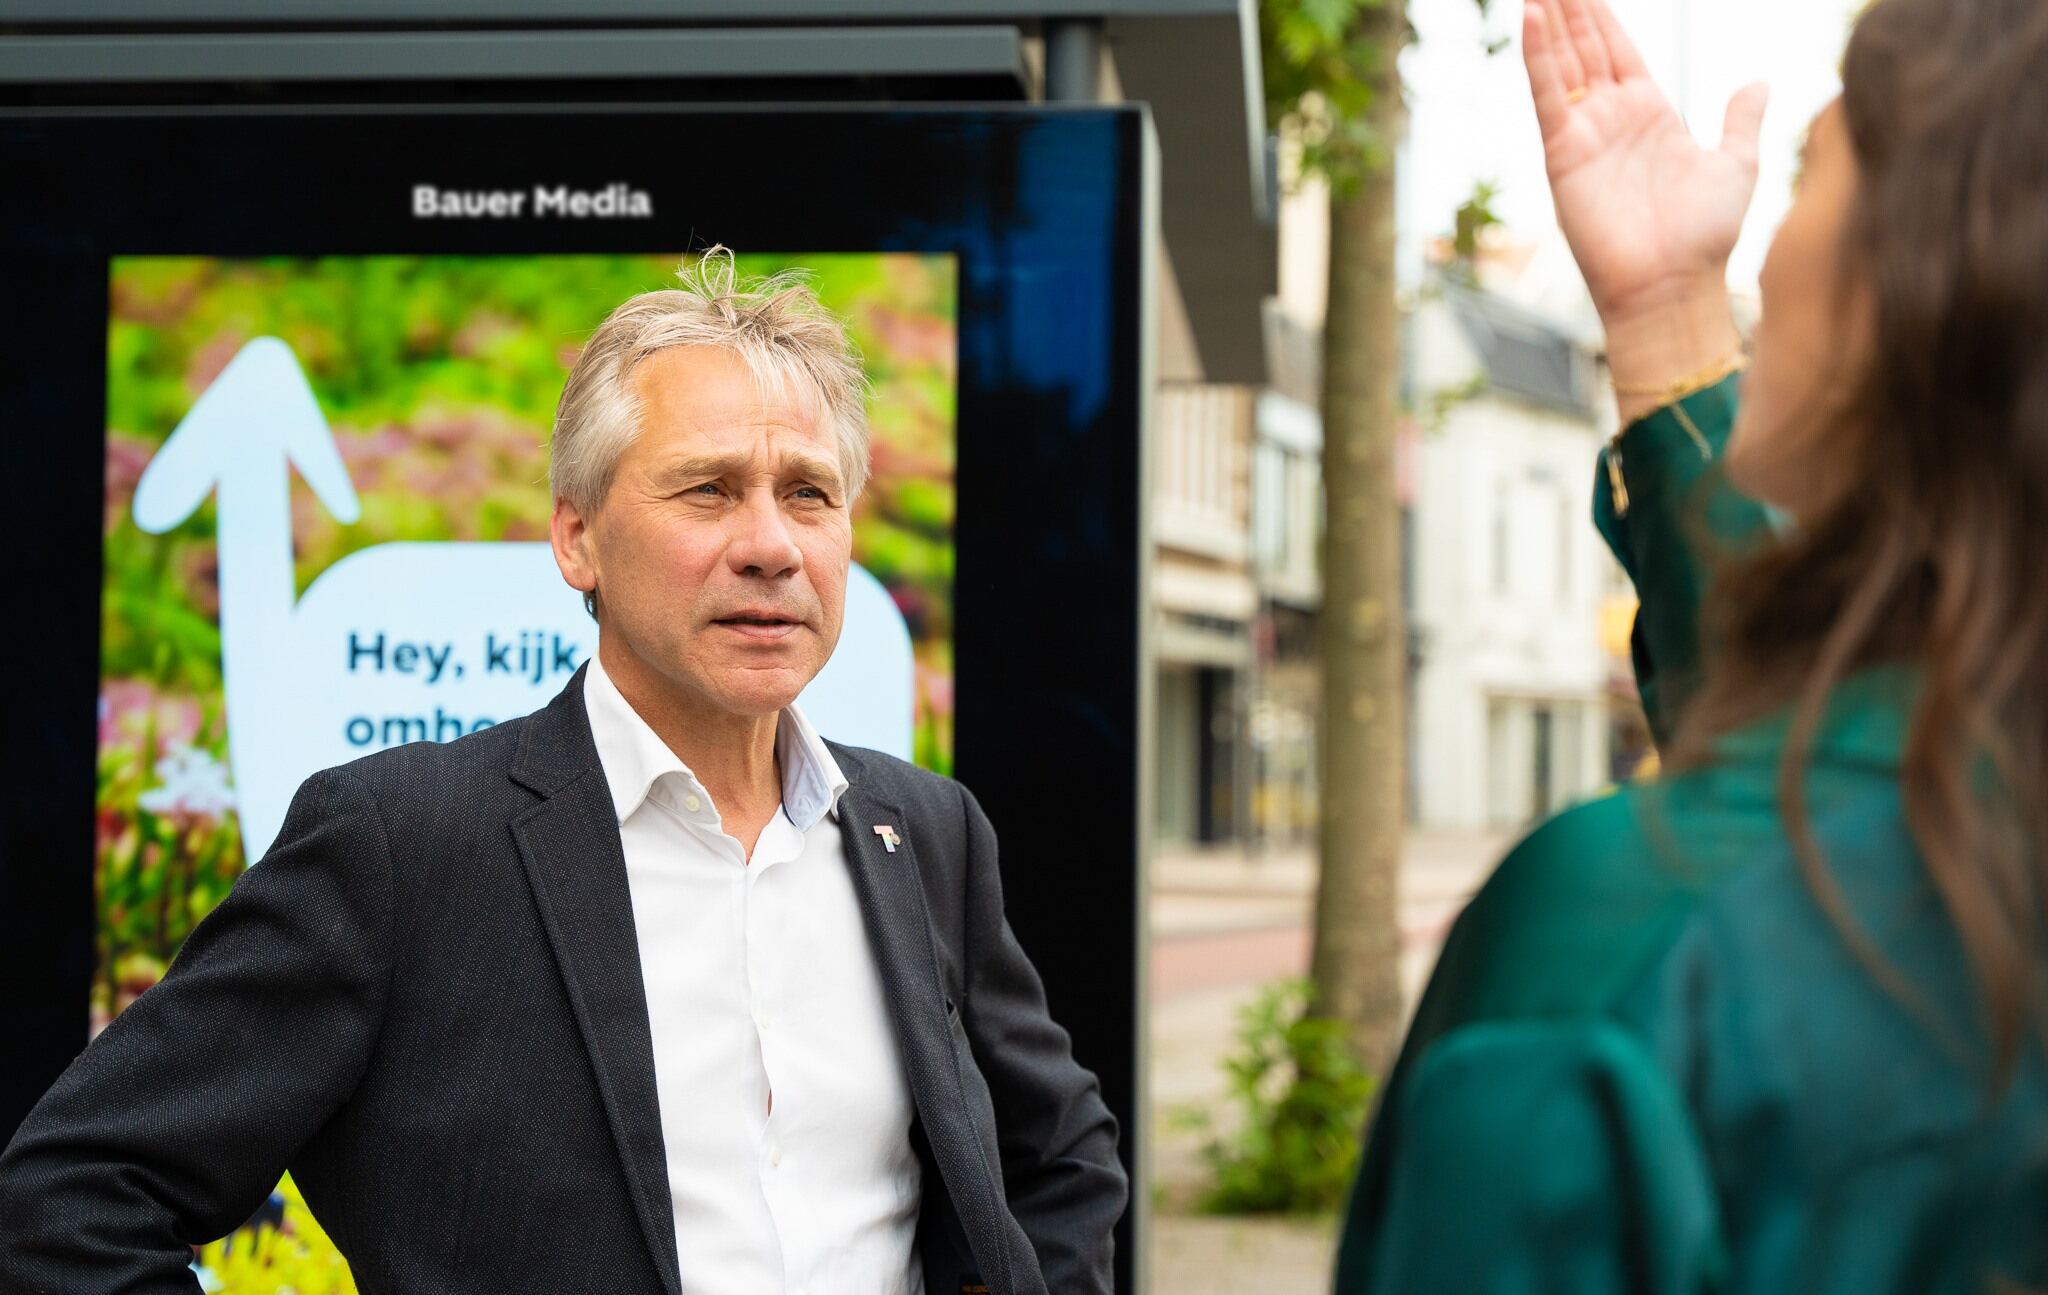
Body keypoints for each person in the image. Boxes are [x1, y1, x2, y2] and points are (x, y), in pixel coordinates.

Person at [0, 251, 1127, 1295]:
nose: (771, 543)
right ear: (575, 537)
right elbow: (76, 1193)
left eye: (808, 493)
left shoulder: (923, 830)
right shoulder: (400, 843)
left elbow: (1061, 1153)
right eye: (707, 489)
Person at [1334, 0, 2048, 1289]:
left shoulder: (1614, 946)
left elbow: (1778, 846)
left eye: (1810, 171)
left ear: (1931, 277)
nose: (1764, 257)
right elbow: (1843, 765)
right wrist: (1664, 313)